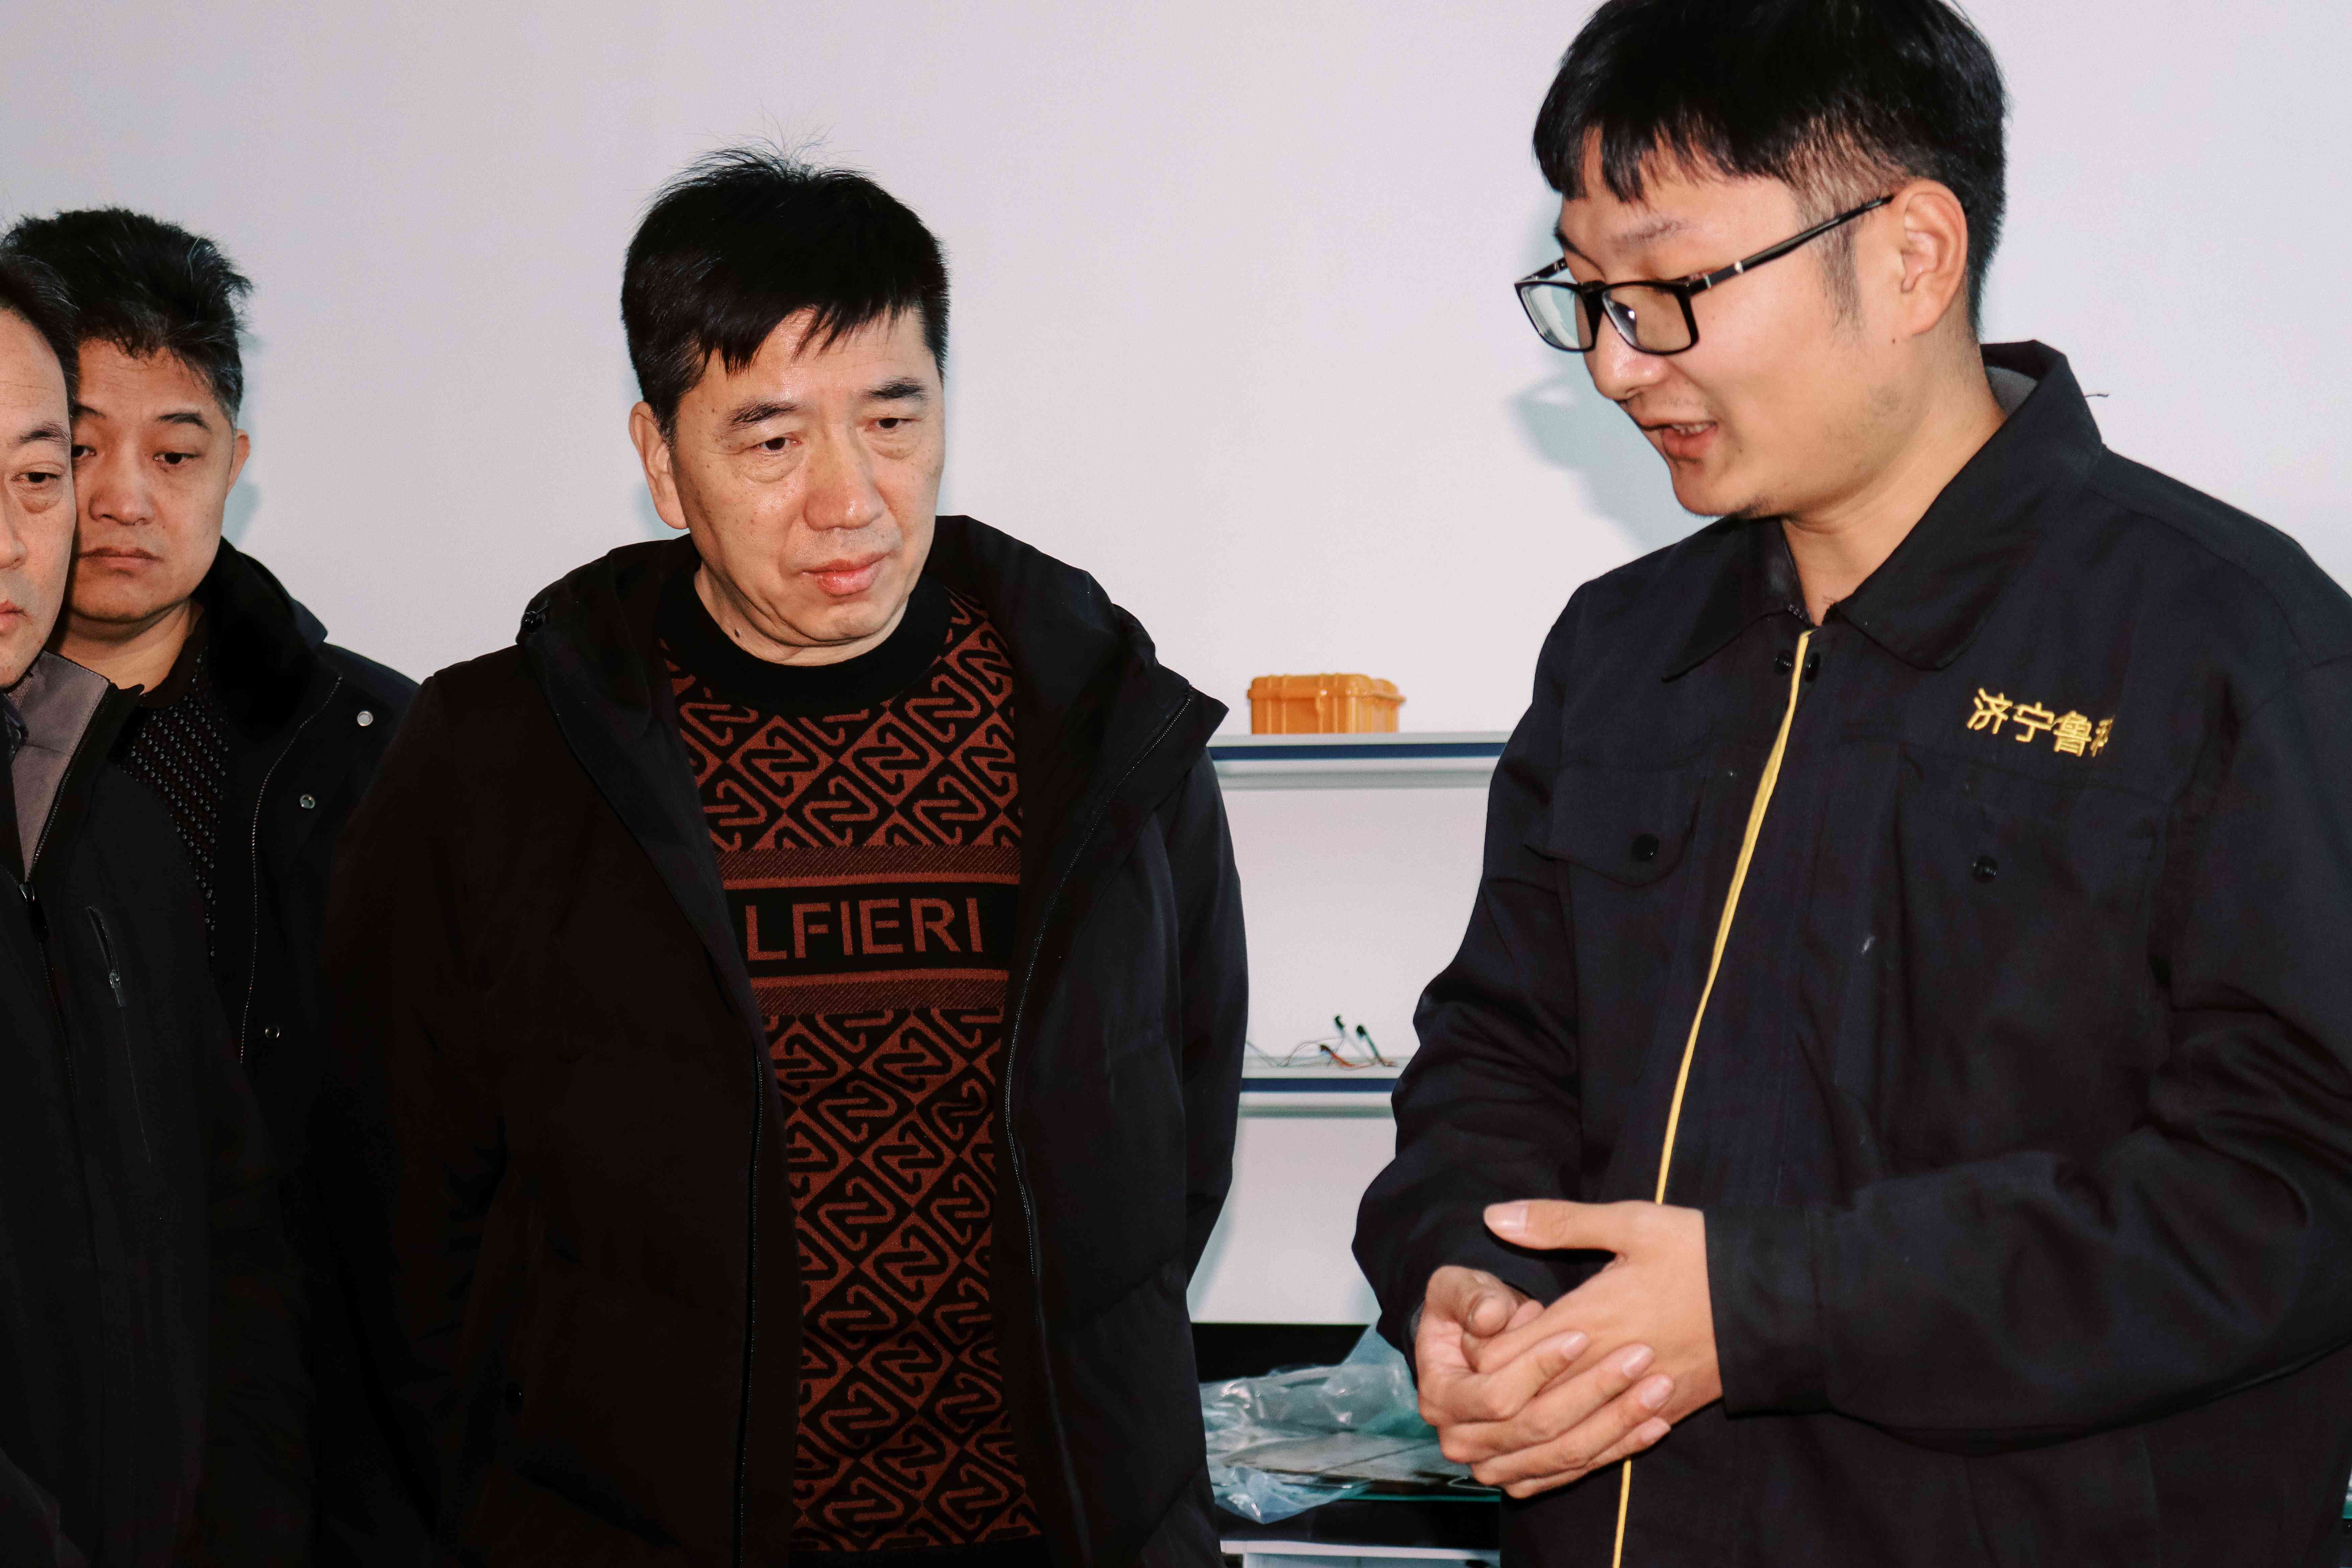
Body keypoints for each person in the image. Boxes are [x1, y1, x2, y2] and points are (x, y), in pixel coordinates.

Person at [1352, 1, 2352, 1564]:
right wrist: (1470, 1276)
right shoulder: (1622, 650)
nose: (1617, 363)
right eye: (1589, 294)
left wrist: (1766, 1307)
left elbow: (2292, 1191)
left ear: (1911, 255)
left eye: (1671, 290)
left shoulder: (2225, 642)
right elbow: (1494, 1057)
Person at [320, 147, 1248, 1566]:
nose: (848, 498)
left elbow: (1176, 1145)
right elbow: (395, 1221)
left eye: (893, 419)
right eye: (770, 442)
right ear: (660, 460)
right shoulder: (493, 760)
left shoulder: (1099, 729)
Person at [1, 208, 425, 1564]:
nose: (124, 499)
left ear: (236, 464)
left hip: (327, 1457)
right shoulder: (40, 767)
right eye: (73, 453)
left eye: (176, 453)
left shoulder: (386, 749)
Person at [0, 250, 307, 1562]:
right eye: (75, 456)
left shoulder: (106, 821)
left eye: (33, 477)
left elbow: (229, 1242)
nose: (107, 502)